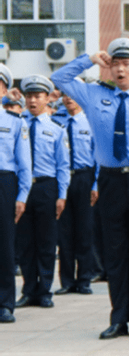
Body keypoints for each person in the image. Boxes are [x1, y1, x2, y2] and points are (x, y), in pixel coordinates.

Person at [51, 39, 129, 340]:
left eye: (126, 64)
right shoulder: (94, 95)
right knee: (115, 251)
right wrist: (88, 60)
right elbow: (59, 79)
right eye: (115, 63)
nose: (120, 69)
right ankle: (119, 317)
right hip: (111, 179)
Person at [14, 75, 68, 309]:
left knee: (46, 241)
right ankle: (28, 289)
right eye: (29, 96)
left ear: (48, 98)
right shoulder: (17, 123)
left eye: (37, 96)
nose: (32, 100)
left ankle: (45, 290)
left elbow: (63, 165)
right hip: (22, 187)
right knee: (25, 241)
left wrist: (62, 195)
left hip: (47, 186)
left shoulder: (57, 128)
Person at [55, 89, 99, 296]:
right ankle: (67, 281)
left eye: (72, 94)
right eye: (65, 94)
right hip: (63, 179)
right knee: (64, 232)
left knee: (85, 231)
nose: (68, 98)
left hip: (84, 177)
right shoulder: (57, 123)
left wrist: (96, 184)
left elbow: (99, 155)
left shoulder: (91, 123)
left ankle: (84, 280)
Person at [0, 62, 30, 324]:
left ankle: (5, 303)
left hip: (4, 184)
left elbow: (24, 164)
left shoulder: (14, 122)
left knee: (5, 246)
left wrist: (22, 195)